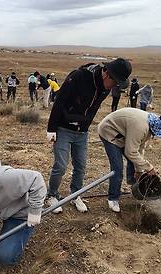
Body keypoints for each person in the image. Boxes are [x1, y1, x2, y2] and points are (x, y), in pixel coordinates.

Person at [46, 58, 132, 213]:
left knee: (81, 166)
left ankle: (75, 195)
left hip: (82, 133)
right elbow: (60, 101)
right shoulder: (79, 76)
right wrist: (51, 128)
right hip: (63, 128)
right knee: (61, 165)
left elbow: (93, 108)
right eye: (115, 83)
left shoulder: (105, 88)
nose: (115, 87)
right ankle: (52, 195)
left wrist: (84, 127)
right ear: (108, 75)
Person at [98, 108, 161, 212]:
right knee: (118, 168)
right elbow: (130, 152)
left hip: (124, 134)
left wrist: (139, 170)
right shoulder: (141, 127)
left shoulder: (151, 125)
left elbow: (139, 148)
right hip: (110, 132)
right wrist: (149, 168)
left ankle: (134, 186)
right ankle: (113, 198)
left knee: (135, 160)